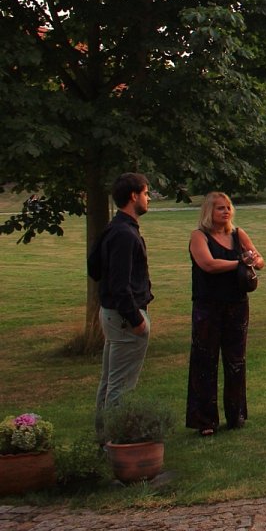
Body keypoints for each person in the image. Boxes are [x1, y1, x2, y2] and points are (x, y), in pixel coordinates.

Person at [186, 192, 265, 436]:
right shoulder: (199, 237)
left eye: (228, 207)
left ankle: (236, 415)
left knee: (236, 361)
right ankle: (205, 420)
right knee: (204, 361)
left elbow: (259, 259)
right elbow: (208, 264)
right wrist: (240, 263)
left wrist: (252, 260)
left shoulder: (238, 234)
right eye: (220, 208)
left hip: (237, 304)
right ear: (209, 212)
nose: (226, 211)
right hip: (208, 306)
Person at [93, 172, 153, 440]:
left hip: (112, 315)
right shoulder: (125, 234)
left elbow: (93, 267)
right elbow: (120, 284)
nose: (148, 198)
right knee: (121, 386)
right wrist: (136, 320)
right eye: (146, 193)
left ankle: (104, 438)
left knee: (109, 382)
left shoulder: (112, 227)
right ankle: (115, 443)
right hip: (124, 317)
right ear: (134, 196)